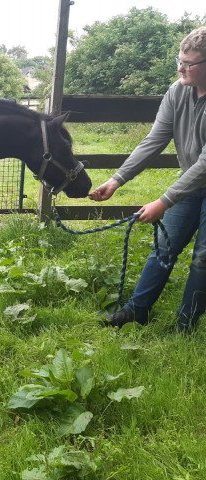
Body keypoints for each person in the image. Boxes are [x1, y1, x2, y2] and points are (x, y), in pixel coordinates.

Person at [89, 26, 206, 332]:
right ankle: (136, 311)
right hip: (190, 186)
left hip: (199, 177)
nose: (181, 68)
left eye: (189, 63)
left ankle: (185, 325)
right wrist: (117, 180)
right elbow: (155, 139)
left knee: (202, 259)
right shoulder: (177, 91)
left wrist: (163, 201)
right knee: (164, 246)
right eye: (179, 60)